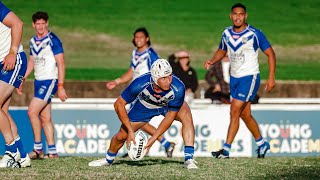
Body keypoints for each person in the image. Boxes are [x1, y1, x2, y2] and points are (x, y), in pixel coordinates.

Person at [89, 59, 198, 169]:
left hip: (167, 105)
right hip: (145, 106)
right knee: (121, 136)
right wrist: (130, 131)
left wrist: (154, 138)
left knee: (186, 116)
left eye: (170, 76)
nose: (168, 81)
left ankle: (189, 159)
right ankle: (108, 159)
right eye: (164, 78)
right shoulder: (140, 83)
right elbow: (118, 104)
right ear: (155, 78)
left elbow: (171, 116)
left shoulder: (178, 87)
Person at [204, 3, 276, 158]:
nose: (237, 17)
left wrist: (271, 77)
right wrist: (212, 61)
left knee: (234, 110)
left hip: (249, 77)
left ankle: (226, 149)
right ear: (231, 16)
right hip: (234, 78)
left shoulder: (255, 34)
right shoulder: (226, 33)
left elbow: (271, 54)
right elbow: (222, 50)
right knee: (245, 114)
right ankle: (262, 144)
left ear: (245, 16)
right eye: (235, 14)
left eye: (241, 14)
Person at [106, 27, 175, 157]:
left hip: (146, 93)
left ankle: (141, 146)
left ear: (147, 39)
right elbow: (132, 71)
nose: (138, 40)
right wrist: (117, 81)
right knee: (136, 122)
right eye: (136, 37)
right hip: (136, 91)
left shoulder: (150, 54)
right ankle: (163, 144)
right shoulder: (135, 53)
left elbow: (159, 74)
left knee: (134, 121)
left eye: (141, 37)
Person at [18, 11, 68, 159]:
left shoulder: (53, 40)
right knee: (45, 117)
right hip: (38, 81)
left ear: (46, 23)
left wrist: (60, 86)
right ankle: (52, 152)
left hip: (50, 80)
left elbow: (61, 63)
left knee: (32, 112)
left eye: (43, 23)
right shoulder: (33, 41)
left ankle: (38, 149)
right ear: (33, 25)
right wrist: (22, 78)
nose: (40, 26)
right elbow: (32, 62)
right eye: (37, 24)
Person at [0, 2, 31, 168]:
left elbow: (17, 23)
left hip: (13, 59)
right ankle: (23, 156)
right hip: (1, 64)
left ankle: (11, 151)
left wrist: (12, 52)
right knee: (2, 111)